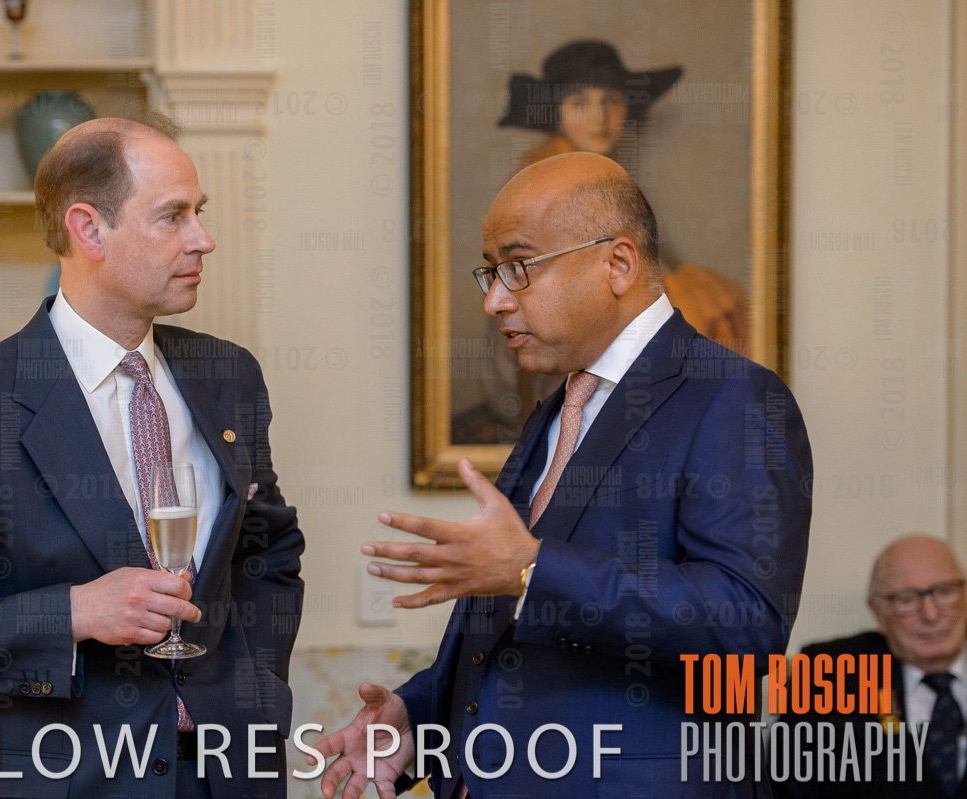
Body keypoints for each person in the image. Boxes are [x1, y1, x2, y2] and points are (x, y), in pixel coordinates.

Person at [313, 152, 812, 798]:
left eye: (518, 268)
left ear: (618, 263)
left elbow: (745, 625)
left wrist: (532, 568)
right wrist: (418, 714)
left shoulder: (733, 397)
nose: (494, 301)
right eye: (491, 272)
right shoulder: (559, 407)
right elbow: (520, 640)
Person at [0, 113, 304, 799]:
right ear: (89, 230)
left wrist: (257, 687)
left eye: (200, 213)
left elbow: (267, 551)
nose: (203, 239)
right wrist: (73, 612)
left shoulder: (230, 375)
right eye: (173, 217)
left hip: (229, 777)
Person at [499, 39, 749, 355]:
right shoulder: (556, 172)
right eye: (580, 104)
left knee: (719, 304)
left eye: (611, 101)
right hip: (564, 318)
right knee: (715, 311)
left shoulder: (592, 168)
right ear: (555, 113)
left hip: (603, 297)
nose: (599, 118)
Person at [773, 535, 967, 799]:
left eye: (945, 591)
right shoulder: (828, 674)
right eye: (906, 599)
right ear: (878, 612)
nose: (930, 614)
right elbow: (787, 788)